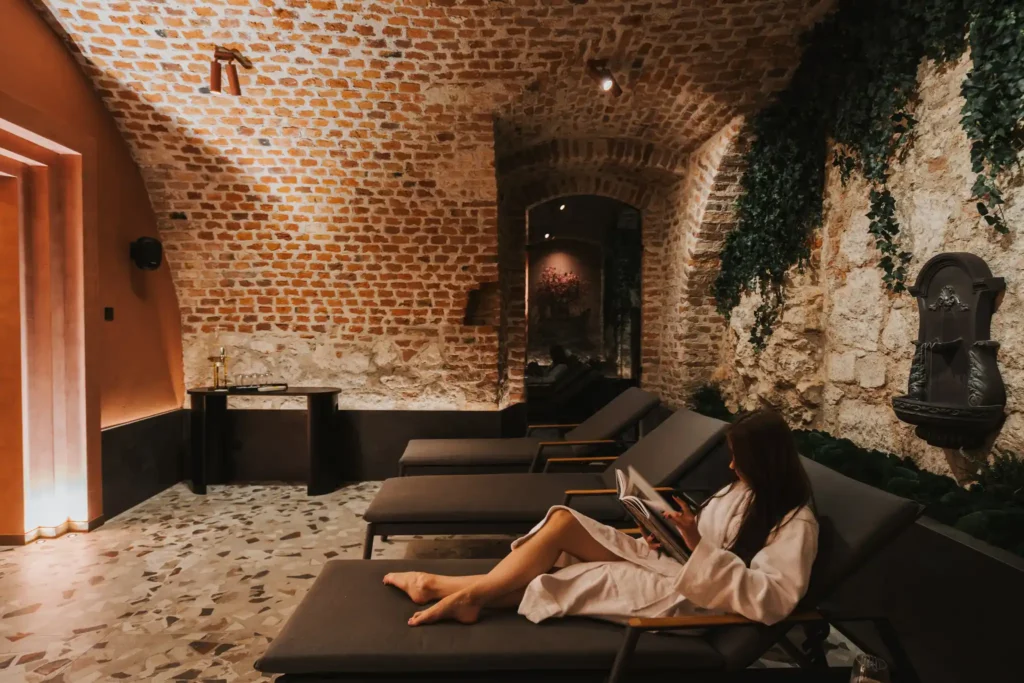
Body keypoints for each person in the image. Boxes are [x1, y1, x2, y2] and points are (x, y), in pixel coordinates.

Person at [384, 409, 819, 627]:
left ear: (765, 463)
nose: (731, 467)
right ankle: (455, 592)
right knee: (564, 522)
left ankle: (444, 589)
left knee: (569, 577)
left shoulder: (795, 523)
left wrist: (695, 545)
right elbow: (707, 542)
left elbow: (772, 600)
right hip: (674, 562)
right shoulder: (742, 490)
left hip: (695, 596)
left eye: (739, 459)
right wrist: (664, 532)